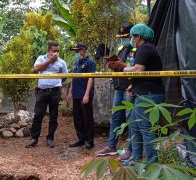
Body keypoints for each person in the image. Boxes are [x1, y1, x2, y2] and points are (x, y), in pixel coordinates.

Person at [108, 23, 165, 164]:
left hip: (149, 94)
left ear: (138, 36)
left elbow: (138, 69)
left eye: (132, 36)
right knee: (134, 124)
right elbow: (146, 72)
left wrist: (122, 67)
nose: (131, 39)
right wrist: (134, 85)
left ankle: (152, 162)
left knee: (145, 128)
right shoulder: (146, 48)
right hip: (144, 92)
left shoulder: (144, 48)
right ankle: (136, 158)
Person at [96, 23, 134, 160]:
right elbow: (120, 67)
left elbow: (136, 68)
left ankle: (131, 150)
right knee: (115, 117)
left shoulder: (136, 49)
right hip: (118, 87)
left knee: (130, 119)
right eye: (121, 37)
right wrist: (113, 65)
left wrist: (121, 66)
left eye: (125, 37)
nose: (122, 39)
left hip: (129, 87)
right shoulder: (121, 48)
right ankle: (111, 146)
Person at [25, 41, 68, 148]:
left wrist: (57, 82)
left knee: (53, 116)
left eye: (58, 51)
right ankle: (34, 139)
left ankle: (50, 138)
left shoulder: (62, 62)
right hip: (42, 91)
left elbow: (65, 75)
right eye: (54, 51)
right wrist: (49, 61)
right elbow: (36, 69)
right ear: (49, 50)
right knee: (38, 115)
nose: (56, 53)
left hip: (55, 92)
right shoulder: (41, 58)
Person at [67, 42, 96, 150]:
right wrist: (70, 93)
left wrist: (87, 94)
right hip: (76, 94)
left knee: (87, 118)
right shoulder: (77, 63)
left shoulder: (90, 62)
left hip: (84, 95)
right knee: (77, 119)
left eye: (77, 51)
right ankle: (81, 139)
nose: (76, 53)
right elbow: (73, 78)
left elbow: (91, 78)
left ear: (83, 50)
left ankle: (89, 141)